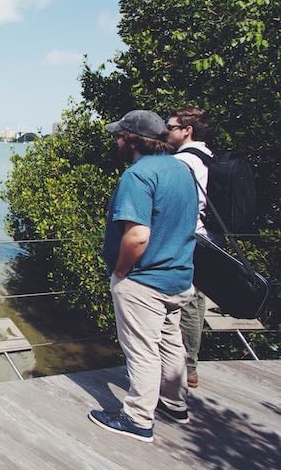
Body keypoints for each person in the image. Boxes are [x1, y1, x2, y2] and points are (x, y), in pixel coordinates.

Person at [88, 110, 198, 443]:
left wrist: (121, 273)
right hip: (179, 277)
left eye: (120, 135)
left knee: (142, 350)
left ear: (133, 140)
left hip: (145, 280)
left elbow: (137, 236)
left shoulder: (137, 176)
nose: (117, 140)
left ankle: (137, 417)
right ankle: (175, 404)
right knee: (170, 341)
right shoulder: (182, 169)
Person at [166, 107, 213, 389]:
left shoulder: (184, 161)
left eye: (170, 126)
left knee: (188, 303)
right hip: (207, 238)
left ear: (187, 130)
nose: (166, 131)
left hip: (189, 237)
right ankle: (187, 366)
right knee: (196, 302)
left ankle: (186, 368)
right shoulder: (207, 155)